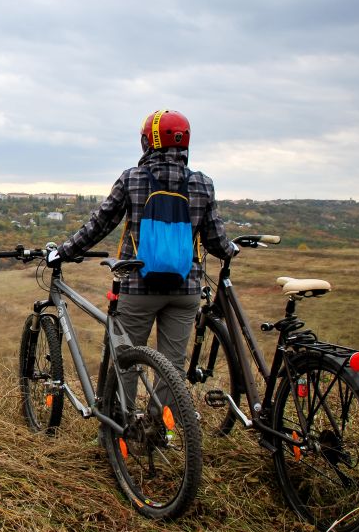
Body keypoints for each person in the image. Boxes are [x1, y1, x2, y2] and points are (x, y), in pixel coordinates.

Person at [48, 109, 238, 381]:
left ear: (148, 142)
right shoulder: (202, 184)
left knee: (125, 360)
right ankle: (163, 422)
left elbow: (98, 225)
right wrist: (231, 250)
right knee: (172, 368)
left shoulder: (133, 179)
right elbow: (217, 241)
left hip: (138, 286)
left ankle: (116, 422)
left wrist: (62, 253)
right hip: (185, 289)